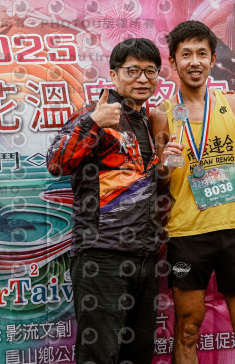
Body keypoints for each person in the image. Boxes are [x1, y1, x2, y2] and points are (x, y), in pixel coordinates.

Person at [150, 20, 235, 364]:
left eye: (202, 53)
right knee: (187, 330)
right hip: (188, 235)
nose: (194, 61)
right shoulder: (162, 115)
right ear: (173, 61)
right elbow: (160, 179)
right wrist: (164, 166)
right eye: (186, 54)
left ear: (213, 59)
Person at [47, 38, 164, 364]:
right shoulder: (93, 113)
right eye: (133, 71)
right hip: (102, 256)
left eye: (150, 71)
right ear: (113, 74)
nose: (142, 79)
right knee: (99, 355)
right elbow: (56, 162)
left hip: (146, 258)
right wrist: (93, 123)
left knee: (137, 355)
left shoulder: (149, 122)